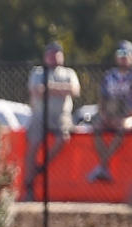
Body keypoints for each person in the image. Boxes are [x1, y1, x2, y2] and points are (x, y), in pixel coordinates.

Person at [24, 42, 80, 198]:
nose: (53, 56)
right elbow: (36, 91)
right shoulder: (38, 72)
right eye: (50, 53)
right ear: (45, 56)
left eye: (57, 53)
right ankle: (29, 186)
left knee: (63, 137)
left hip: (62, 115)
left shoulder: (69, 73)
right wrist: (61, 89)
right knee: (33, 145)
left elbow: (74, 90)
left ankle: (42, 166)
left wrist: (49, 87)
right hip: (40, 115)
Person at [88, 40, 132, 183]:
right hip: (111, 115)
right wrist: (105, 115)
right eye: (120, 53)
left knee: (123, 127)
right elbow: (102, 98)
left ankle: (102, 165)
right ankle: (104, 167)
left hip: (128, 116)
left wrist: (125, 116)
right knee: (97, 127)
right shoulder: (109, 76)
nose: (123, 56)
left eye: (126, 53)